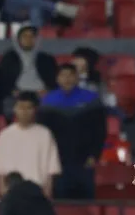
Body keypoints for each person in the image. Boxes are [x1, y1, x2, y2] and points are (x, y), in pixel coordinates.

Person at [39, 63, 105, 199]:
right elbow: (43, 134)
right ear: (57, 78)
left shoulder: (91, 100)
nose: (67, 79)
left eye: (71, 75)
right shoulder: (47, 102)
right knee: (61, 204)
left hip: (85, 160)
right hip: (58, 161)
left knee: (86, 203)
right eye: (63, 75)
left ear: (77, 78)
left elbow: (99, 131)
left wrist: (94, 155)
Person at [0, 92, 60, 198]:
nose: (24, 112)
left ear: (34, 110)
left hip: (37, 190)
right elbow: (0, 168)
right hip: (12, 190)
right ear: (15, 109)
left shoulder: (44, 133)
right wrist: (3, 191)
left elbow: (51, 167)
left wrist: (47, 192)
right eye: (21, 107)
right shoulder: (5, 134)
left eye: (28, 108)